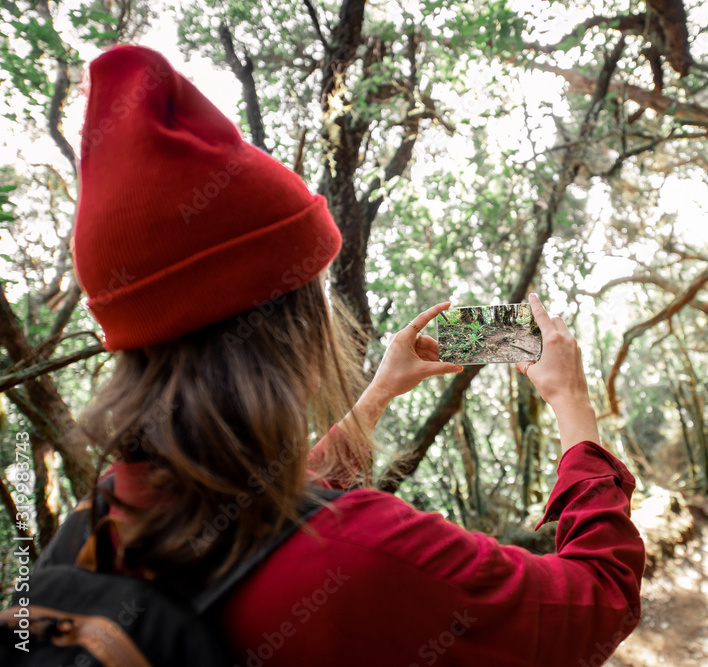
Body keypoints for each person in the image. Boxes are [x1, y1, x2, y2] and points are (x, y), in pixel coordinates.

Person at [60, 44, 645, 666]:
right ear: (292, 325)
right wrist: (572, 404)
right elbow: (600, 599)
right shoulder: (364, 553)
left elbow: (265, 502)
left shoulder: (100, 516)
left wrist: (379, 394)